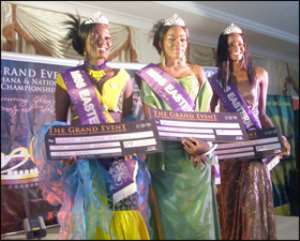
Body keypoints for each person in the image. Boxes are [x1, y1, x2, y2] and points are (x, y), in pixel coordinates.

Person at [30, 12, 150, 239]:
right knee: (90, 216)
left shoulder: (123, 78)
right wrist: (65, 151)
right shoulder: (66, 79)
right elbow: (59, 125)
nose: (103, 42)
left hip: (119, 162)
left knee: (125, 211)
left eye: (107, 38)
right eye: (95, 36)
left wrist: (132, 146)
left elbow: (127, 122)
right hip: (84, 163)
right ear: (83, 41)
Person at [136, 14, 221, 240]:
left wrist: (203, 146)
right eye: (172, 39)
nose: (178, 44)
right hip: (166, 160)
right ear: (161, 43)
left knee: (200, 223)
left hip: (196, 159)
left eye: (182, 39)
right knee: (169, 221)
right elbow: (151, 118)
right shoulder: (149, 75)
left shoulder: (197, 71)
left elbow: (207, 116)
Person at [210, 23, 291, 240]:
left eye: (240, 43)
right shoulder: (218, 80)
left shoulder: (260, 74)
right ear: (224, 49)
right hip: (232, 150)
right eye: (231, 44)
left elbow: (262, 115)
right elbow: (212, 116)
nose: (237, 47)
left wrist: (278, 136)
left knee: (251, 201)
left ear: (244, 46)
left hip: (256, 147)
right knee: (232, 202)